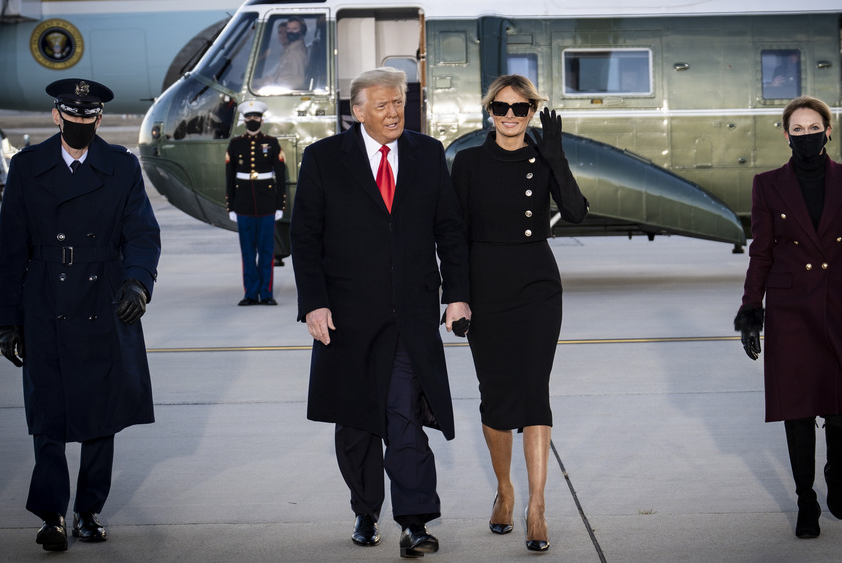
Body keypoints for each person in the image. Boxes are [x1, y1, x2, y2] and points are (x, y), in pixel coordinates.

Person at [290, 67, 470, 558]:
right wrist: (314, 303)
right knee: (356, 425)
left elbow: (449, 230)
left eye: (400, 104)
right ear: (358, 111)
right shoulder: (325, 159)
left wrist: (457, 295)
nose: (395, 113)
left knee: (403, 415)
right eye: (384, 105)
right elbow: (304, 238)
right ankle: (365, 509)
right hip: (347, 318)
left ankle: (414, 521)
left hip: (410, 315)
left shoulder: (427, 154)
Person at [0, 78, 161, 552]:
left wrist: (137, 283)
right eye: (72, 116)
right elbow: (10, 248)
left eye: (89, 118)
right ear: (56, 116)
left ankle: (88, 510)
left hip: (104, 300)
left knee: (100, 415)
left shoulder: (123, 167)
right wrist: (8, 318)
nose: (80, 124)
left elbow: (143, 235)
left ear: (99, 119)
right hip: (44, 300)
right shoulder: (27, 168)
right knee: (48, 417)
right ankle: (51, 516)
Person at [734, 95, 842, 539]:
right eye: (797, 130)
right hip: (791, 309)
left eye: (813, 128)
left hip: (840, 305)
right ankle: (806, 501)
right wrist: (751, 309)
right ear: (785, 135)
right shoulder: (767, 184)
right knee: (797, 411)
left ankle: (835, 471)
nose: (806, 136)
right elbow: (760, 252)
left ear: (828, 131)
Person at [450, 75, 588, 552]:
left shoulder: (542, 159)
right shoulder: (467, 162)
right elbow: (453, 238)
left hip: (537, 287)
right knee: (494, 394)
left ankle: (537, 506)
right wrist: (456, 297)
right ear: (489, 111)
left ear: (533, 111)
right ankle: (505, 491)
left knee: (534, 390)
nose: (510, 116)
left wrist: (556, 156)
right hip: (486, 287)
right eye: (501, 107)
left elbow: (575, 212)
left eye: (521, 108)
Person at [225, 100, 287, 306]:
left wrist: (280, 206)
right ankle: (251, 294)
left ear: (261, 119)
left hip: (267, 205)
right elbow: (229, 177)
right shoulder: (235, 144)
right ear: (244, 120)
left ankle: (266, 293)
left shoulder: (272, 142)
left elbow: (280, 176)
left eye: (256, 117)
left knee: (267, 251)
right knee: (248, 252)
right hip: (243, 206)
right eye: (249, 117)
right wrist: (231, 207)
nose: (253, 120)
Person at [272, 16, 308, 90]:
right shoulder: (289, 50)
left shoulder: (296, 52)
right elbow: (275, 77)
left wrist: (277, 87)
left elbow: (298, 81)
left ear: (302, 31)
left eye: (294, 29)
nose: (290, 32)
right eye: (288, 29)